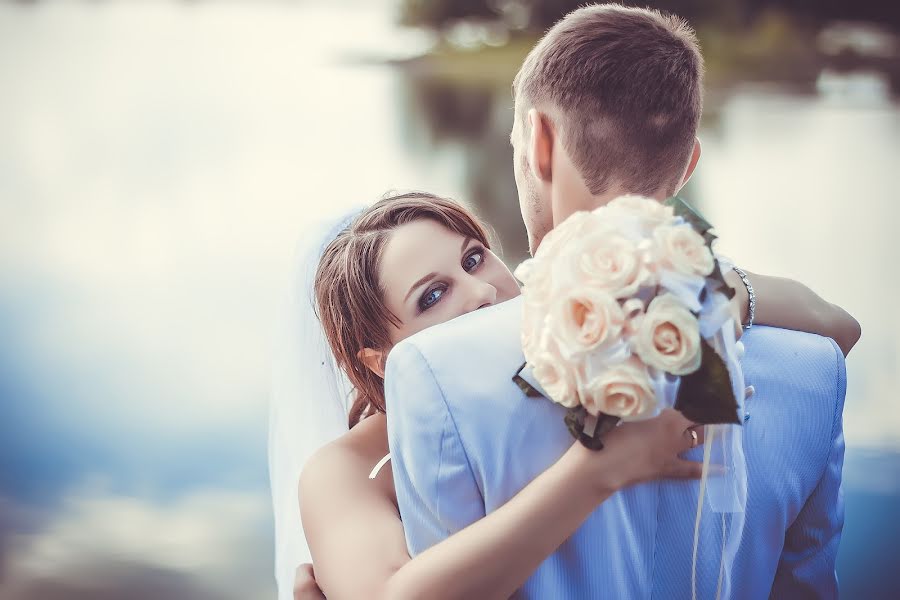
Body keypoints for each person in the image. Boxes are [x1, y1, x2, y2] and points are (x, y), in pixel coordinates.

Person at [384, 5, 860, 600]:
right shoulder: (814, 372)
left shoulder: (432, 371)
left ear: (539, 141)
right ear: (687, 167)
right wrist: (720, 288)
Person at [282, 191, 858, 599]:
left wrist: (717, 290)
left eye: (473, 257)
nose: (482, 292)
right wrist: (597, 470)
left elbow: (841, 328)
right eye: (433, 296)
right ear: (379, 361)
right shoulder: (346, 470)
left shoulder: (582, 316)